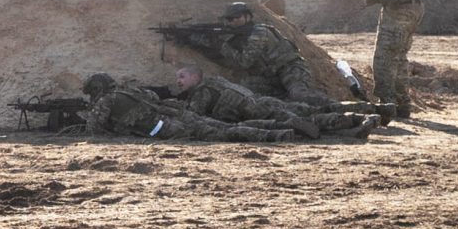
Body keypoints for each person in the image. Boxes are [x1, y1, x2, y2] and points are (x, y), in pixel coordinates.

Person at [166, 67, 376, 141]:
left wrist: (172, 106)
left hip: (254, 111)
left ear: (195, 76)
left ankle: (355, 121)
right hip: (262, 101)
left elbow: (195, 118)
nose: (179, 81)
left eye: (182, 77)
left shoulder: (202, 91)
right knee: (312, 112)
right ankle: (364, 116)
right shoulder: (216, 81)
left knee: (310, 119)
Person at [80, 74, 296, 142]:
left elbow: (95, 130)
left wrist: (89, 113)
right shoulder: (131, 90)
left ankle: (273, 135)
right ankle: (276, 125)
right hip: (175, 112)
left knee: (221, 135)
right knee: (222, 126)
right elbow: (153, 96)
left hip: (166, 128)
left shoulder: (105, 101)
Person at [216, 2, 335, 106]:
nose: (234, 21)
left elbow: (245, 62)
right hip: (272, 76)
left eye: (237, 17)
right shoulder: (240, 35)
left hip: (291, 69)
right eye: (230, 19)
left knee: (298, 95)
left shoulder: (259, 32)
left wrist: (224, 47)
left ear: (248, 16)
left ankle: (337, 106)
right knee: (246, 89)